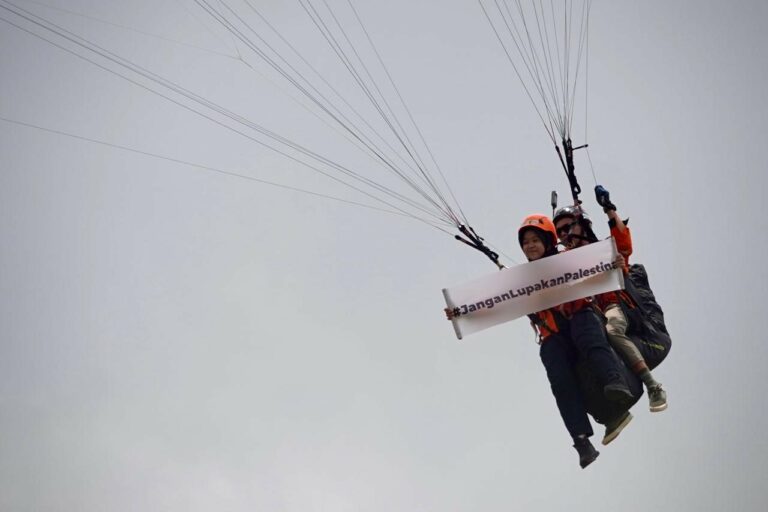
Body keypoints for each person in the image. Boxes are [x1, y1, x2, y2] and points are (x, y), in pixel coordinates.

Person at [518, 214, 634, 467]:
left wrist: (615, 263)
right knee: (558, 378)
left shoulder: (571, 260)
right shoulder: (519, 281)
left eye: (536, 240)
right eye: (526, 242)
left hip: (580, 316)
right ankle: (581, 441)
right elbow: (489, 303)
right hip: (554, 336)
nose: (530, 245)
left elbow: (613, 262)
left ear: (548, 241)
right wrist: (461, 312)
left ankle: (615, 382)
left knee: (588, 334)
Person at [553, 187, 668, 413]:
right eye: (559, 233)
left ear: (581, 224)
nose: (565, 235)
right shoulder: (565, 262)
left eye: (568, 227)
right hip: (590, 315)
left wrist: (609, 209)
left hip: (615, 307)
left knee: (612, 330)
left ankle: (653, 386)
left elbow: (623, 243)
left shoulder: (604, 250)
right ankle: (611, 408)